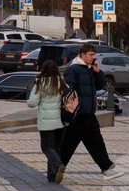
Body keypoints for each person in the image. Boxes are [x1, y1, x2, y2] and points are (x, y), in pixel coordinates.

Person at [55, 44, 123, 183]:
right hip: (78, 114)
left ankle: (56, 168)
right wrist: (76, 105)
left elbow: (99, 86)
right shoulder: (73, 70)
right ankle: (106, 167)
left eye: (94, 54)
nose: (93, 57)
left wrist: (98, 71)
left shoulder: (90, 69)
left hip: (88, 113)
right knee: (91, 142)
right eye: (91, 54)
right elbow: (69, 89)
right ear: (82, 54)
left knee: (74, 143)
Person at [27, 60, 77, 182]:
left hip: (46, 122)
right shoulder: (61, 82)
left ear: (43, 70)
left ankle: (58, 164)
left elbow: (32, 103)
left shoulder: (40, 83)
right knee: (56, 148)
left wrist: (29, 100)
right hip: (61, 121)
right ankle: (52, 175)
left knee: (46, 147)